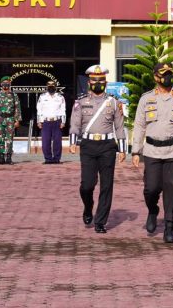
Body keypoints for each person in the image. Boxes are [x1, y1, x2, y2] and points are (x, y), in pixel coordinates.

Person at [132, 62, 173, 243]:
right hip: (152, 151)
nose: (168, 76)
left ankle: (170, 226)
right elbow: (139, 125)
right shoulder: (146, 99)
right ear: (155, 77)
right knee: (151, 188)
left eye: (170, 73)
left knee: (172, 188)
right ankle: (153, 210)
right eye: (164, 74)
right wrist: (135, 151)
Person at [69, 65, 127, 234]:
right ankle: (88, 207)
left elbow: (120, 127)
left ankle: (100, 221)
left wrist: (122, 150)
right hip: (88, 146)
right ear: (89, 82)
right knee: (87, 185)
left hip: (107, 147)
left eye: (101, 80)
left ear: (106, 83)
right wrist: (73, 142)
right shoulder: (80, 102)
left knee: (106, 185)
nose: (98, 83)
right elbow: (75, 124)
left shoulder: (114, 103)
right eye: (95, 81)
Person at [0, 76, 22, 165]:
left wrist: (17, 120)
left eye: (7, 83)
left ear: (10, 84)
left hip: (10, 119)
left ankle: (8, 157)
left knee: (9, 138)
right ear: (1, 84)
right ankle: (1, 157)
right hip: (0, 119)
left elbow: (17, 108)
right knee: (0, 138)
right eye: (4, 83)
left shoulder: (14, 95)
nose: (6, 84)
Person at [37, 80, 66, 164]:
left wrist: (63, 122)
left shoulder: (60, 97)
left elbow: (63, 110)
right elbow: (39, 110)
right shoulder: (42, 97)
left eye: (52, 86)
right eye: (49, 86)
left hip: (57, 121)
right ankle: (48, 159)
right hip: (46, 122)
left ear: (55, 87)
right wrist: (39, 121)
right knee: (45, 142)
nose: (51, 87)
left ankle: (56, 159)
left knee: (57, 142)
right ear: (46, 87)